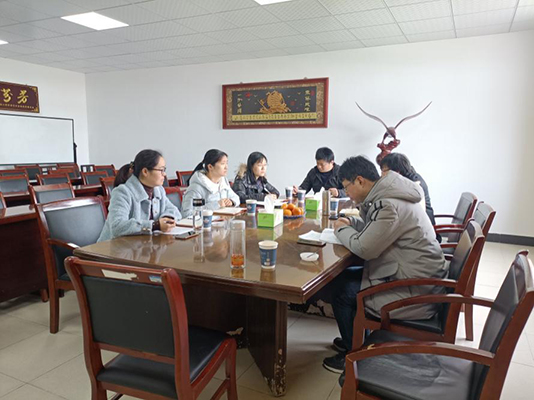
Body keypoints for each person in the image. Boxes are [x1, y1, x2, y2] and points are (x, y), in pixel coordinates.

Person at [321, 156, 448, 375]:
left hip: (415, 292)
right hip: (413, 276)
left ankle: (353, 355)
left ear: (360, 180)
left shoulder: (389, 204)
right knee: (345, 277)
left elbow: (364, 248)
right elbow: (376, 228)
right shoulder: (391, 194)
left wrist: (340, 229)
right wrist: (351, 222)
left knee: (342, 291)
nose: (347, 193)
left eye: (346, 187)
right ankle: (356, 339)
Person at [98, 149, 181, 242]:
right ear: (145, 171)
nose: (164, 174)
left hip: (140, 245)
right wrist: (155, 225)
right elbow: (117, 227)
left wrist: (167, 219)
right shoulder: (122, 192)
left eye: (164, 170)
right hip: (113, 247)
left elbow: (174, 211)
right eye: (161, 170)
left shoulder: (158, 190)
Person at [379, 152, 436, 226]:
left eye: (384, 171)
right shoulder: (405, 179)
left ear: (396, 171)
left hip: (423, 227)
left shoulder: (414, 184)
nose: (381, 175)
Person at [182, 149, 240, 217]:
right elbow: (188, 214)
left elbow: (236, 198)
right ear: (210, 167)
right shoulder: (196, 188)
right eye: (222, 164)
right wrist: (217, 205)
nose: (226, 167)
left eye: (227, 163)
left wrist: (231, 201)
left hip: (222, 221)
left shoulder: (223, 182)